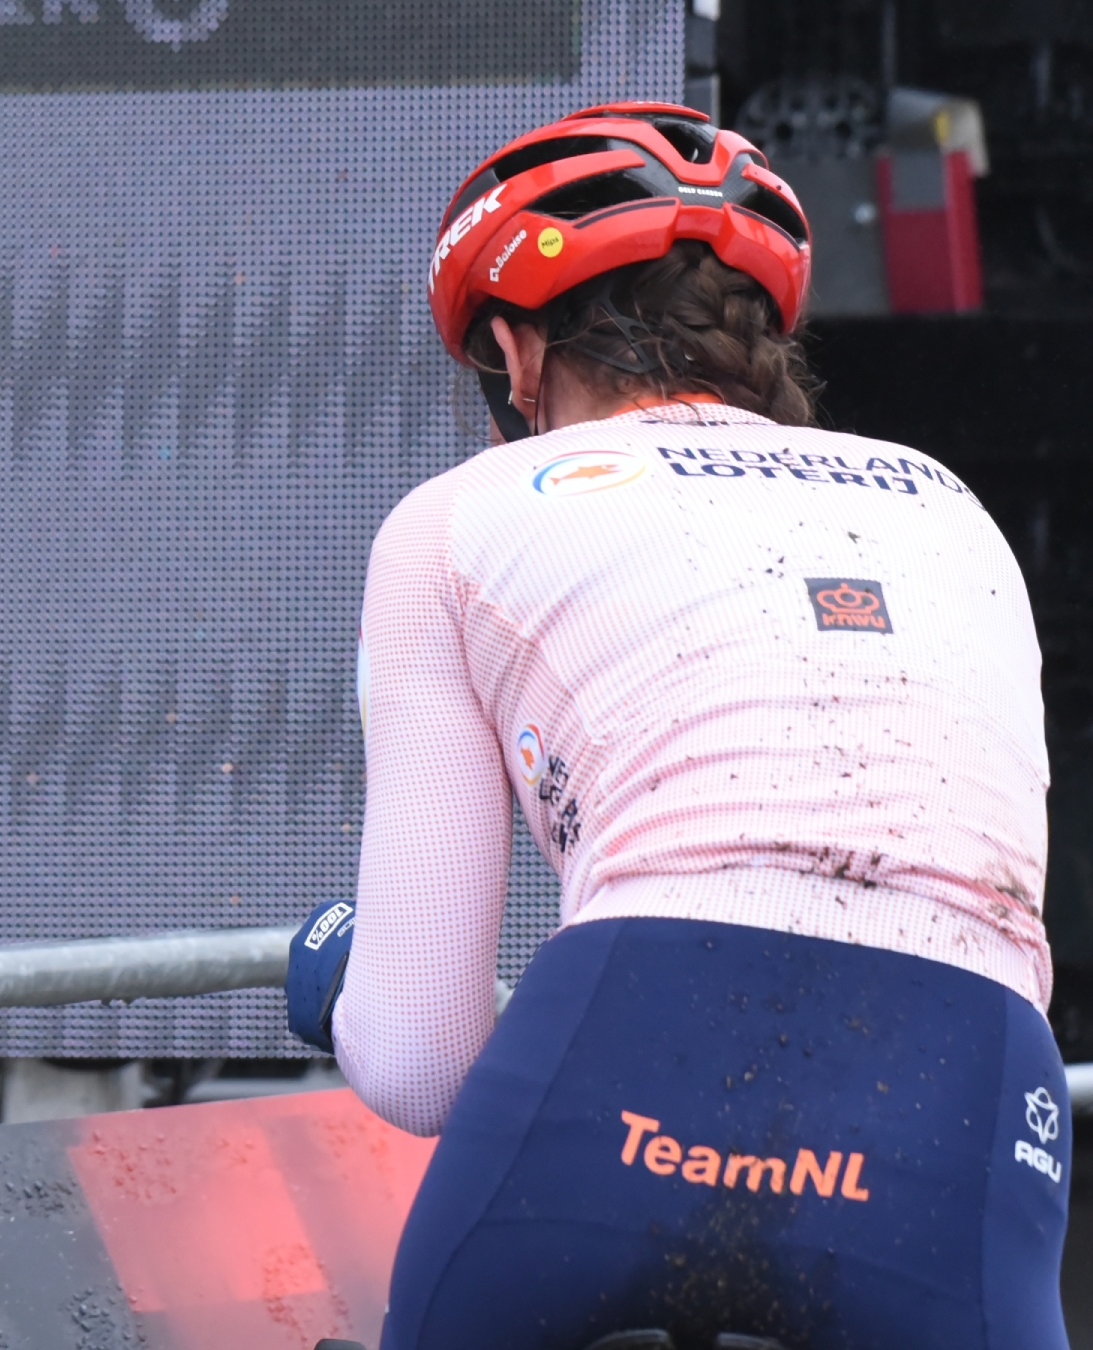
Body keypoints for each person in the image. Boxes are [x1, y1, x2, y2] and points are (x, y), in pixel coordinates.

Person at [283, 102, 1063, 1348]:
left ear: (517, 354)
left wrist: (331, 979)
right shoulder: (955, 511)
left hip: (638, 1043)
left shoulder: (457, 517)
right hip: (963, 1085)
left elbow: (423, 1063)